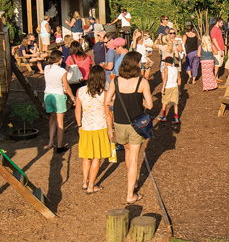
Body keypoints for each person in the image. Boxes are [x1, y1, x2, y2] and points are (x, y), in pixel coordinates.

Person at [104, 52, 153, 203]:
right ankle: (130, 194)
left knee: (127, 151)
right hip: (136, 123)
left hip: (120, 122)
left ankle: (134, 182)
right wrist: (139, 103)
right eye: (139, 62)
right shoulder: (142, 82)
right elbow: (150, 105)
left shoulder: (116, 81)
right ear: (135, 64)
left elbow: (107, 101)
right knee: (134, 158)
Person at [75, 65, 114, 194]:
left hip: (86, 127)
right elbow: (108, 113)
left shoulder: (80, 91)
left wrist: (79, 125)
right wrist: (110, 129)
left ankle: (85, 182)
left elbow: (77, 109)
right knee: (97, 157)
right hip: (100, 127)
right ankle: (92, 186)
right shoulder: (104, 93)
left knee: (86, 157)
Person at [43, 49, 74, 152]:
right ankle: (60, 146)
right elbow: (66, 87)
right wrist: (73, 97)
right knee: (60, 122)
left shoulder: (46, 68)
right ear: (60, 59)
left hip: (48, 94)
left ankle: (50, 142)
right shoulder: (62, 71)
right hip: (58, 96)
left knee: (52, 119)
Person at [156, 56, 181, 123]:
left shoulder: (166, 69)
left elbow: (165, 79)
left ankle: (163, 116)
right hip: (175, 87)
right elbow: (179, 79)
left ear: (167, 63)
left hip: (168, 87)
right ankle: (176, 118)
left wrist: (163, 88)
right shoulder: (176, 69)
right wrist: (179, 89)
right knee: (175, 103)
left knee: (164, 102)